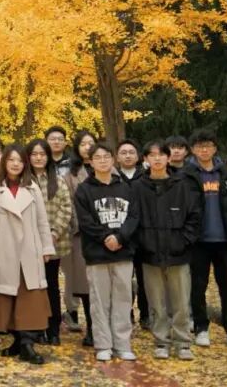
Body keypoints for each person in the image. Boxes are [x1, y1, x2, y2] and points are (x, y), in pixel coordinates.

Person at [0, 145, 54, 365]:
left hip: (30, 250)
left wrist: (46, 247)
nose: (15, 164)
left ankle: (27, 343)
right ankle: (17, 340)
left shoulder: (33, 189)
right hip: (5, 250)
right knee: (8, 296)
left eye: (20, 160)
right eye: (11, 160)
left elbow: (42, 221)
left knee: (30, 296)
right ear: (4, 162)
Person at [180, 129, 227, 349]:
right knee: (197, 287)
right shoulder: (186, 175)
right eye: (199, 146)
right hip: (198, 241)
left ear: (215, 148)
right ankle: (201, 328)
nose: (204, 150)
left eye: (208, 145)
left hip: (224, 240)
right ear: (193, 150)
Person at [134, 140, 201, 361]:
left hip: (178, 253)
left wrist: (183, 241)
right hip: (150, 254)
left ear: (168, 157)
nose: (157, 159)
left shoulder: (182, 184)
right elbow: (133, 218)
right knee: (156, 303)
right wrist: (143, 243)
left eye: (161, 154)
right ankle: (161, 341)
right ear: (145, 159)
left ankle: (183, 342)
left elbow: (194, 216)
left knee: (181, 302)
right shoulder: (138, 187)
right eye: (152, 155)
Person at [74, 143, 140, 362]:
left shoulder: (126, 188)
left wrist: (120, 237)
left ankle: (122, 344)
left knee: (123, 299)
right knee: (99, 301)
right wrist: (105, 237)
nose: (102, 161)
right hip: (97, 254)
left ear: (113, 160)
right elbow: (85, 221)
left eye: (106, 157)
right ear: (91, 162)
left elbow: (134, 217)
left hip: (123, 252)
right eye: (98, 157)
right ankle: (103, 344)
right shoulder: (84, 190)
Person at [26, 138, 71, 347]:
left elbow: (66, 208)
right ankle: (37, 328)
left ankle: (53, 330)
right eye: (34, 154)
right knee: (33, 288)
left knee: (51, 286)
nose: (38, 158)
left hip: (53, 242)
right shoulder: (23, 181)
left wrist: (53, 234)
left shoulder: (57, 180)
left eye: (42, 154)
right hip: (28, 244)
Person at [60, 131, 95, 343]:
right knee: (84, 284)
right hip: (81, 234)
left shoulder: (110, 170)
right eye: (83, 144)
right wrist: (80, 225)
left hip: (108, 235)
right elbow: (69, 204)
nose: (88, 147)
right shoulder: (70, 175)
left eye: (91, 143)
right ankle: (91, 328)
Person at [116, 138, 148, 329]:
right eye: (123, 152)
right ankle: (125, 313)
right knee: (123, 279)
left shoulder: (146, 177)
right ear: (117, 157)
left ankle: (146, 314)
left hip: (143, 235)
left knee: (145, 279)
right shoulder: (112, 177)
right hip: (121, 236)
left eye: (131, 152)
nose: (127, 156)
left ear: (138, 156)